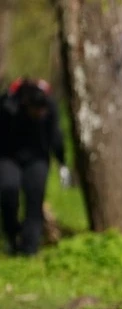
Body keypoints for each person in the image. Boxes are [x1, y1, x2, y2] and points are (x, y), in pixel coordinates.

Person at [0, 78, 67, 256]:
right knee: (8, 191)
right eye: (37, 111)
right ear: (26, 104)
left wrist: (62, 163)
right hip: (8, 156)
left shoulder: (49, 106)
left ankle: (30, 246)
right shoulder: (8, 106)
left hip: (37, 158)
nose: (41, 114)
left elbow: (56, 135)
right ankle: (12, 235)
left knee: (34, 199)